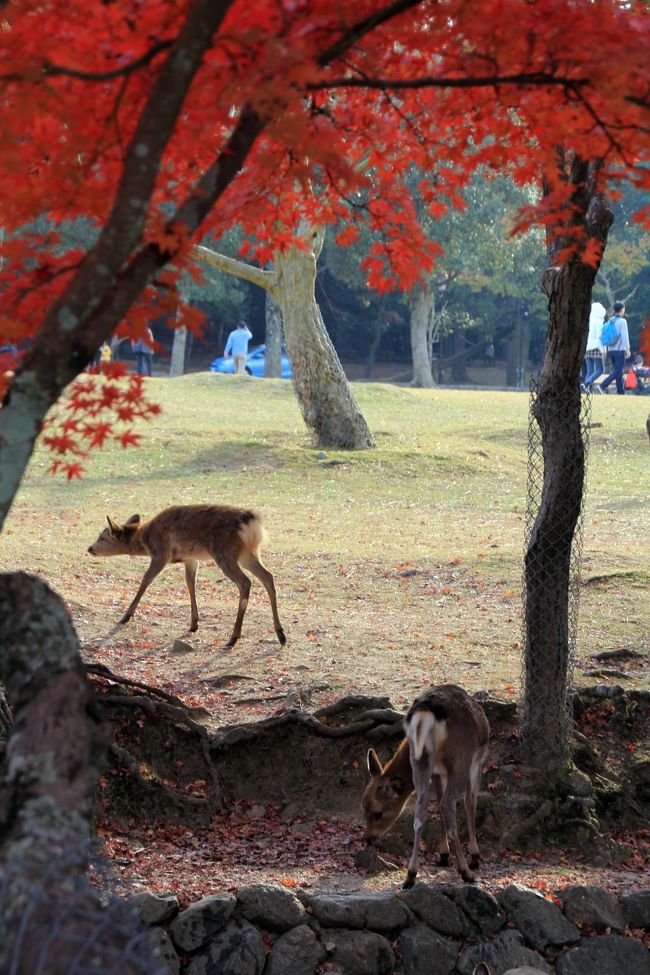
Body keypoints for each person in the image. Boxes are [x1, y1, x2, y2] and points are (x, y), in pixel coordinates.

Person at [600, 301, 631, 395]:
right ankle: (603, 385)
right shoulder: (622, 321)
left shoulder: (610, 320)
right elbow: (625, 336)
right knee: (618, 370)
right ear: (622, 310)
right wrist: (628, 349)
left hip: (610, 350)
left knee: (618, 371)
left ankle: (620, 391)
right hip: (619, 350)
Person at [581, 301, 606, 391]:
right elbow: (599, 337)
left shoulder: (588, 320)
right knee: (600, 369)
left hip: (587, 348)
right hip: (596, 347)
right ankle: (585, 384)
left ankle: (587, 389)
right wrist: (603, 350)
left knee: (590, 371)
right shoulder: (598, 321)